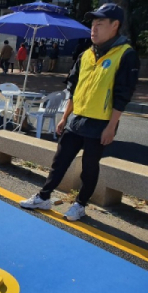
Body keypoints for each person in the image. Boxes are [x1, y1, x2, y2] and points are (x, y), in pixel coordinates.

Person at [19, 4, 139, 222]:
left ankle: (80, 204)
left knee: (89, 167)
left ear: (115, 26)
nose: (93, 29)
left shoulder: (126, 55)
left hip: (100, 123)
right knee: (60, 161)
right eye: (92, 24)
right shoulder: (85, 55)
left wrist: (111, 127)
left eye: (100, 24)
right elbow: (74, 89)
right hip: (76, 119)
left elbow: (123, 95)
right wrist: (64, 117)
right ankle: (44, 197)